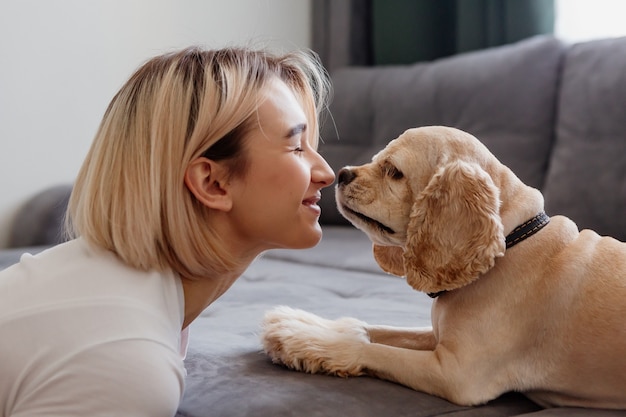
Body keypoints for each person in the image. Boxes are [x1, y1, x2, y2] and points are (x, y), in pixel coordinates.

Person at [0, 46, 335, 416]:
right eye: (296, 146)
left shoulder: (104, 289)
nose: (326, 173)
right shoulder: (127, 362)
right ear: (212, 183)